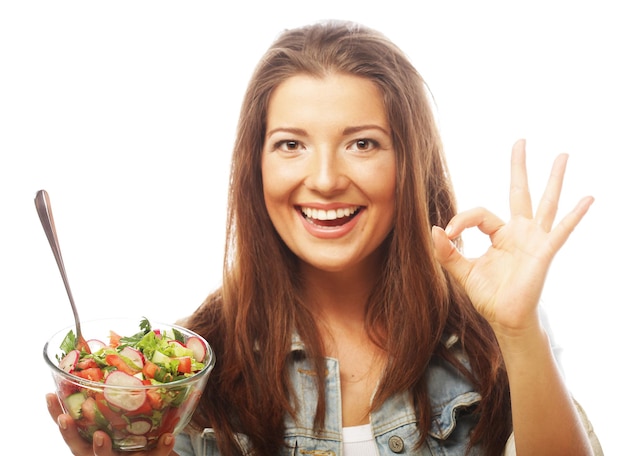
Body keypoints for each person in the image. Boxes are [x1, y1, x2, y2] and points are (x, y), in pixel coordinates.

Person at [46, 20, 603, 456]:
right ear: (256, 167)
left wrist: (519, 332)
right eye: (291, 145)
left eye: (362, 144)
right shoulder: (200, 361)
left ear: (409, 164)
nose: (326, 179)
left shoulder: (492, 331)